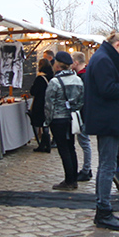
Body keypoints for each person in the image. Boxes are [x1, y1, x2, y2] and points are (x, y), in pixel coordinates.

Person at [83, 31, 119, 230]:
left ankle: (103, 208)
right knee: (107, 165)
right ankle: (103, 211)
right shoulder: (104, 60)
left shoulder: (103, 58)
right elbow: (108, 89)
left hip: (106, 119)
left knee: (106, 165)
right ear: (117, 44)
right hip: (107, 120)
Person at [46, 51, 85, 191]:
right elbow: (81, 101)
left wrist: (47, 121)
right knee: (71, 148)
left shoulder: (54, 82)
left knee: (64, 150)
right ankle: (73, 179)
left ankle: (69, 180)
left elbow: (49, 104)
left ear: (57, 66)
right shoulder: (78, 80)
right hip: (71, 118)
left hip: (58, 119)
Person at [71, 51, 93, 182]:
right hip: (85, 113)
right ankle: (86, 169)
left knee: (84, 143)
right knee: (84, 142)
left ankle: (86, 170)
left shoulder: (82, 77)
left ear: (76, 62)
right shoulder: (87, 74)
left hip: (83, 114)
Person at [29, 58, 53, 153]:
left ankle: (45, 144)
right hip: (48, 104)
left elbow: (33, 91)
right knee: (46, 124)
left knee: (43, 124)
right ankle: (45, 144)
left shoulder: (40, 78)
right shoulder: (51, 77)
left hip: (40, 104)